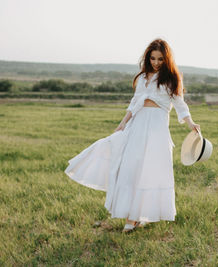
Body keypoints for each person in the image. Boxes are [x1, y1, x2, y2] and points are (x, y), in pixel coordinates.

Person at [64, 38, 200, 233]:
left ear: (167, 59)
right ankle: (132, 215)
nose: (155, 62)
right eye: (152, 58)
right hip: (137, 125)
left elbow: (180, 104)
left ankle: (137, 217)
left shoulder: (171, 79)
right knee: (131, 168)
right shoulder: (143, 77)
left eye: (160, 59)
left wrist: (190, 123)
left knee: (149, 171)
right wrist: (122, 124)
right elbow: (135, 103)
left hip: (157, 128)